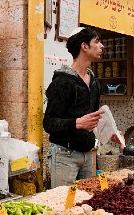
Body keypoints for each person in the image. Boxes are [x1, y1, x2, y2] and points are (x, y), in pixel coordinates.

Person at [43, 27, 103, 187]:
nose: (101, 46)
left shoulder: (94, 82)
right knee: (63, 206)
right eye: (97, 42)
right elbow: (49, 123)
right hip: (64, 155)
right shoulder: (62, 82)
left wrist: (109, 131)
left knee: (86, 203)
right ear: (84, 46)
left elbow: (94, 116)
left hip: (88, 154)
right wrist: (77, 123)